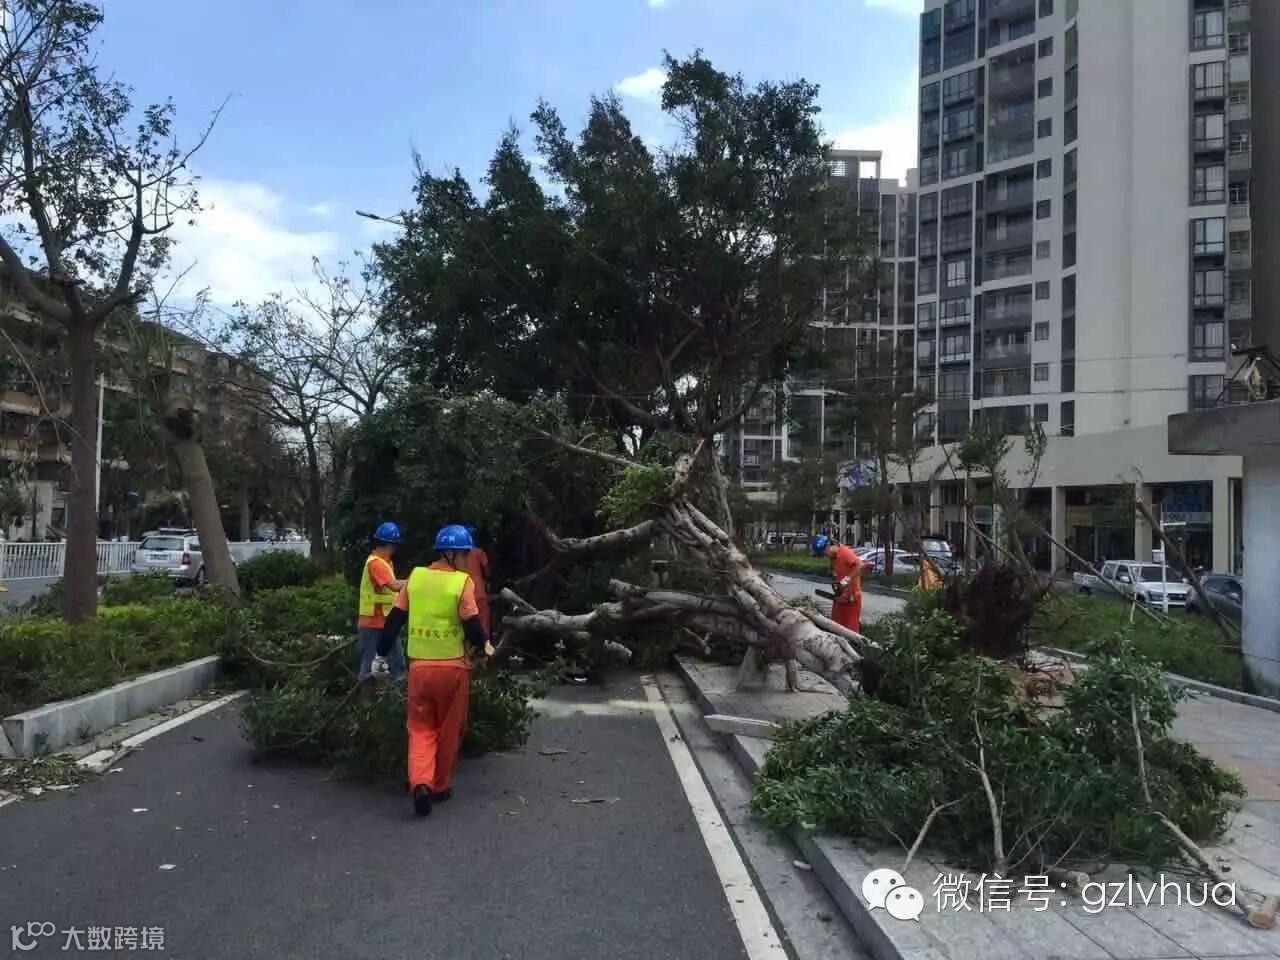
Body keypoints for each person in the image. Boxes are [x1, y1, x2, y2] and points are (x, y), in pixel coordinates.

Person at [374, 524, 493, 818]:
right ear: (450, 554)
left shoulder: (415, 577)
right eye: (464, 554)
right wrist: (485, 646)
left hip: (420, 670)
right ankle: (439, 785)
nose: (466, 560)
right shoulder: (461, 583)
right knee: (449, 729)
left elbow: (394, 620)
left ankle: (420, 782)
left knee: (420, 728)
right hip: (452, 670)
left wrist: (380, 654)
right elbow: (471, 624)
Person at [358, 522, 407, 679]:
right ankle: (367, 695)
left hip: (386, 622)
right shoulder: (376, 563)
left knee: (396, 665)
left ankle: (393, 693)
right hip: (372, 623)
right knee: (369, 669)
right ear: (390, 545)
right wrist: (417, 581)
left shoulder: (385, 563)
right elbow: (394, 586)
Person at [811, 534, 864, 633]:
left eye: (824, 553)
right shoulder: (834, 558)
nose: (825, 556)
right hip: (841, 597)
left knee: (850, 630)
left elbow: (860, 565)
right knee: (835, 626)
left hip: (852, 598)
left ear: (828, 546)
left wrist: (847, 579)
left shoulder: (845, 552)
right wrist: (838, 584)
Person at [464, 525, 492, 639]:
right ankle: (485, 645)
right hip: (479, 592)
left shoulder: (458, 554)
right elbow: (487, 571)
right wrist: (487, 581)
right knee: (484, 621)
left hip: (464, 593)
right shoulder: (479, 552)